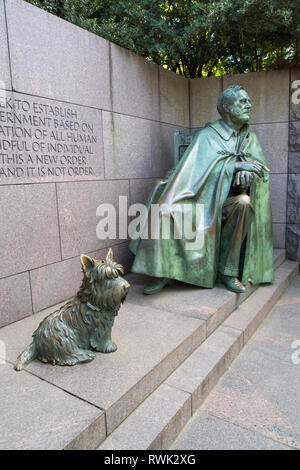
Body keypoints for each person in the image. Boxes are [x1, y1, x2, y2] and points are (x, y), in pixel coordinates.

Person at [129, 85, 274, 294]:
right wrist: (233, 166)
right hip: (199, 201)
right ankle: (163, 271)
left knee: (243, 203)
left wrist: (248, 176)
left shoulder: (250, 140)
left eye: (249, 101)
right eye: (243, 102)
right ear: (226, 108)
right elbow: (189, 174)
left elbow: (263, 172)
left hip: (229, 201)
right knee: (164, 210)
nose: (249, 105)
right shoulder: (207, 136)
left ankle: (228, 273)